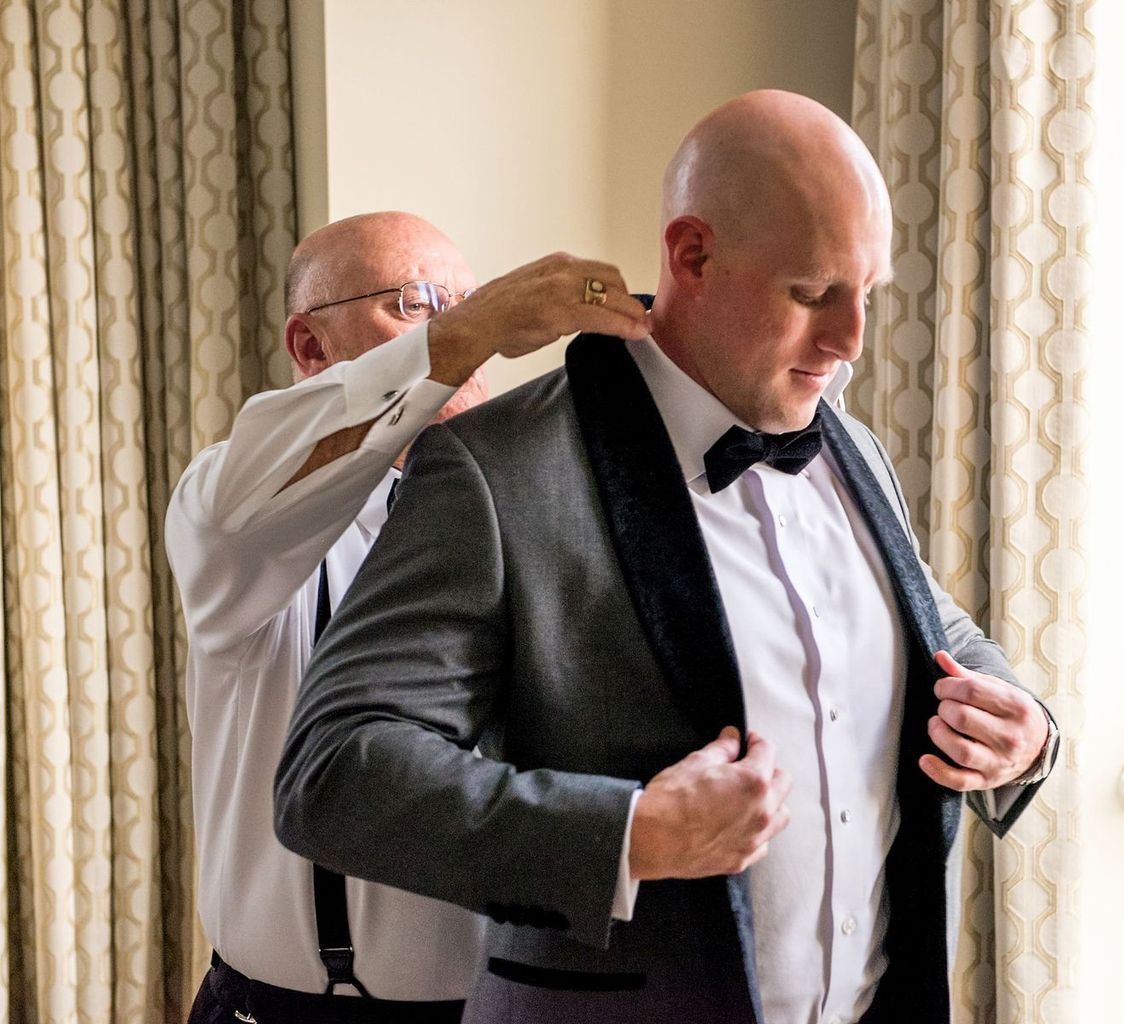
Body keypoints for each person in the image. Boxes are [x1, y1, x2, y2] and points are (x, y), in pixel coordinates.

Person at [274, 94, 1059, 1024]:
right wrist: (630, 835)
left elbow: (933, 626)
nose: (850, 342)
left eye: (867, 292)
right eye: (812, 293)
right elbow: (335, 772)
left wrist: (1024, 730)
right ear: (691, 255)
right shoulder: (498, 472)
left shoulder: (854, 450)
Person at [166, 210, 650, 1023]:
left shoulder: (538, 512)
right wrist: (485, 319)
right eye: (420, 303)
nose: (467, 340)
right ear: (311, 347)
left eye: (463, 303)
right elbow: (264, 479)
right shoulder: (233, 514)